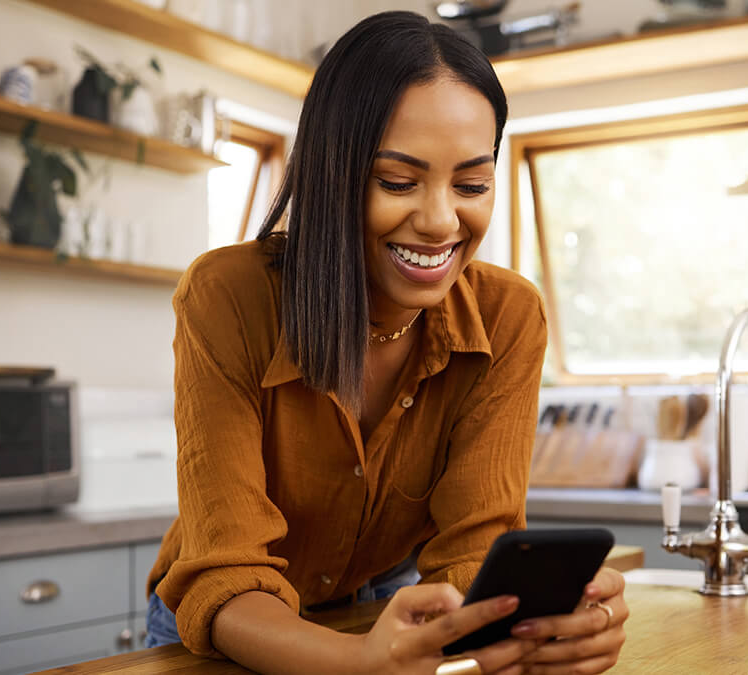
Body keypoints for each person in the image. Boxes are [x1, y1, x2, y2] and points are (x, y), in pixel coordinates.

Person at [145, 10, 628, 674]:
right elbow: (227, 574)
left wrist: (545, 625)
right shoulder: (227, 295)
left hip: (382, 620)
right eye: (398, 181)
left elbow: (474, 550)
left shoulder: (510, 316)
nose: (439, 221)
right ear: (330, 173)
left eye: (472, 184)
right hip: (231, 634)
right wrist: (357, 663)